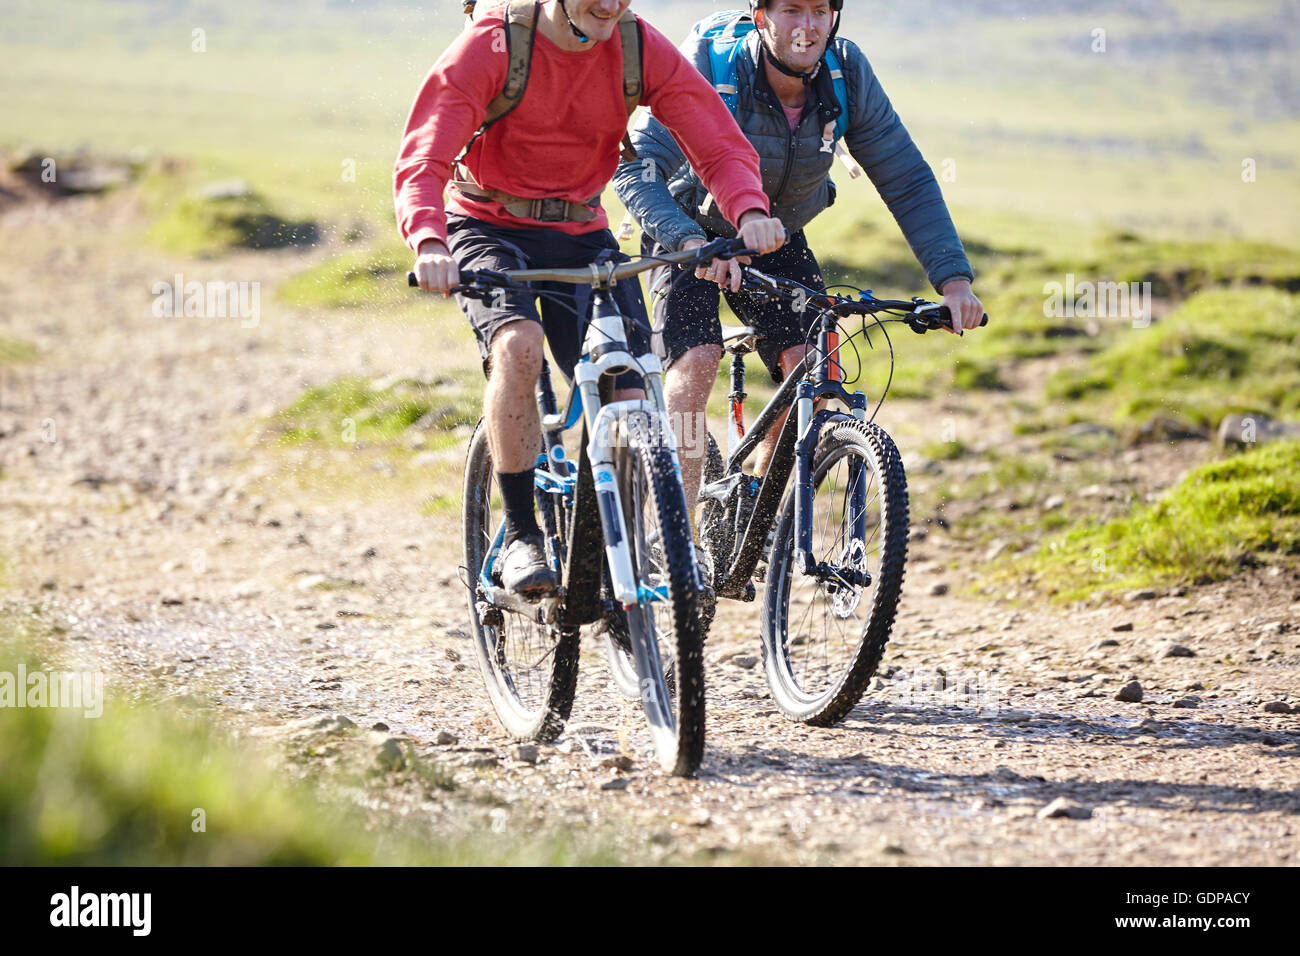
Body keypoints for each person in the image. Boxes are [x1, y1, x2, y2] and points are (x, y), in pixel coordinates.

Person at [396, 0, 786, 599]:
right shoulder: (496, 44)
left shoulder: (636, 45)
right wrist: (428, 240)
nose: (609, 3)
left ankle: (612, 558)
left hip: (582, 231)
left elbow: (716, 141)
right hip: (487, 223)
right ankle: (524, 534)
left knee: (631, 386)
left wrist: (750, 208)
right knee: (518, 346)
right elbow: (426, 152)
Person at [613, 0, 985, 563]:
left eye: (819, 11)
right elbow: (636, 165)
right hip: (689, 225)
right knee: (698, 361)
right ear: (760, 16)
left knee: (811, 366)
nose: (807, 26)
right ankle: (672, 538)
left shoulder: (845, 73)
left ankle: (753, 513)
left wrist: (954, 281)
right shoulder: (709, 67)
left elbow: (905, 177)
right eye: (791, 10)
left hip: (776, 234)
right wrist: (689, 242)